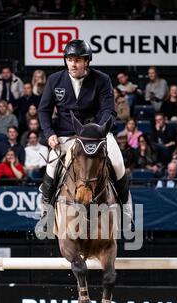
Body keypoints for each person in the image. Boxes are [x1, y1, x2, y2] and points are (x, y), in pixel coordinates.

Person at [38, 39, 132, 229]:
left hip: (96, 135)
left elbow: (109, 110)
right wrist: (49, 134)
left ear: (87, 62)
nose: (73, 64)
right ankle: (46, 215)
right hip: (66, 135)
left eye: (78, 60)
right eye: (70, 59)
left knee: (118, 163)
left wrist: (98, 130)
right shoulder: (54, 80)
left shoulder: (102, 79)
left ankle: (126, 213)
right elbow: (43, 111)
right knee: (52, 167)